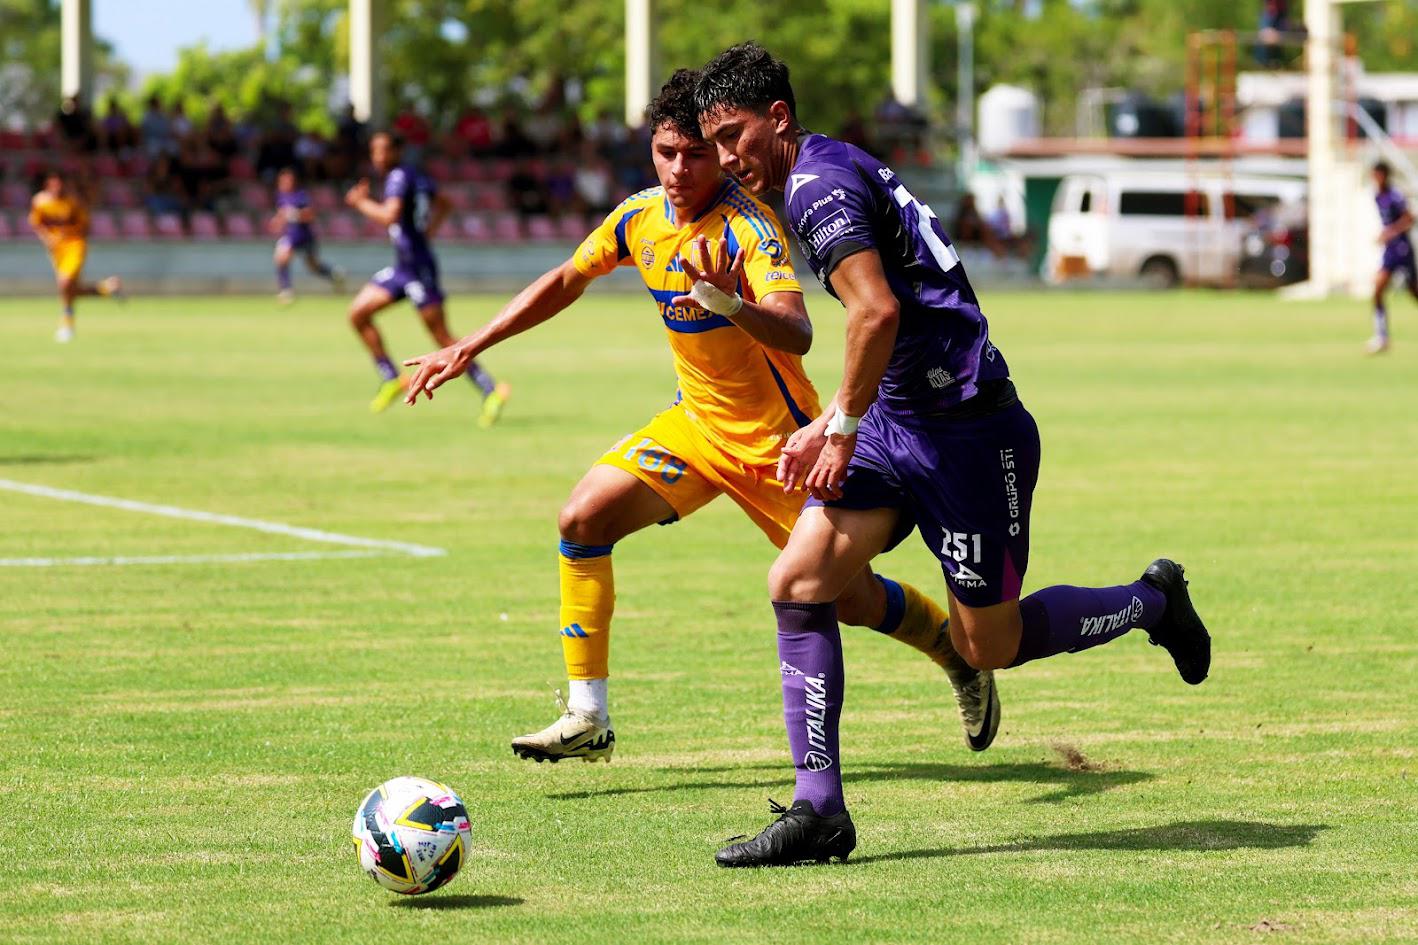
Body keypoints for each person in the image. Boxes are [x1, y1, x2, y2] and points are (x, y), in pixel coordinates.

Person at [695, 42, 1212, 868]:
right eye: (712, 143)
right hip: (903, 421)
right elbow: (886, 326)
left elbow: (875, 315)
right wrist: (839, 413)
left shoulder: (815, 185)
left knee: (989, 645)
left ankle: (1154, 601)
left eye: (733, 135)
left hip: (971, 434)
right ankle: (819, 808)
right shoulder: (820, 174)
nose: (725, 158)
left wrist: (837, 428)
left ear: (778, 120)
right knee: (798, 580)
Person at [400, 70, 990, 765]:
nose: (680, 169)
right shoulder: (638, 217)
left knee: (850, 599)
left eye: (696, 154)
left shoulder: (751, 227)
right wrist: (471, 344)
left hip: (778, 444)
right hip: (696, 428)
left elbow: (798, 332)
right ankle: (587, 714)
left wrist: (729, 300)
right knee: (582, 519)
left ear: (718, 151)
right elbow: (566, 279)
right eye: (666, 151)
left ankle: (952, 648)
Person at [345, 131, 509, 423]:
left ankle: (490, 389)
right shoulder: (415, 176)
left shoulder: (398, 177)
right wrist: (427, 233)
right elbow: (444, 203)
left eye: (382, 150)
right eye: (373, 151)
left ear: (397, 151)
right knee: (358, 313)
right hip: (403, 267)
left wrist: (360, 203)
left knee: (442, 337)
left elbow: (389, 216)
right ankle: (391, 377)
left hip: (418, 269)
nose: (377, 157)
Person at [28, 171, 121, 343]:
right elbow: (36, 223)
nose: (57, 188)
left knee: (64, 283)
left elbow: (85, 225)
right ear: (48, 185)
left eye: (60, 184)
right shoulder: (40, 202)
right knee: (68, 289)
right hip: (56, 250)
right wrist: (48, 238)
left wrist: (67, 234)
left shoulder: (73, 202)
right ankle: (106, 289)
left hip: (74, 245)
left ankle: (67, 324)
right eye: (54, 184)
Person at [269, 167, 344, 304]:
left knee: (313, 266)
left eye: (288, 180)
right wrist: (278, 221)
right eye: (282, 180)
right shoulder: (280, 196)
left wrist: (294, 214)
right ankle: (286, 291)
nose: (285, 183)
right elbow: (282, 214)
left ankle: (334, 275)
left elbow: (310, 215)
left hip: (305, 236)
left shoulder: (301, 196)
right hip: (291, 236)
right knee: (281, 257)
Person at [1368, 161, 1416, 355]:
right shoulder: (1377, 196)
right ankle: (1382, 337)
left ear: (1385, 175)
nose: (1375, 179)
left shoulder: (1395, 196)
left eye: (1378, 175)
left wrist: (1390, 233)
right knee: (1378, 288)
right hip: (1390, 251)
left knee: (1414, 292)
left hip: (1402, 249)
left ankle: (1382, 337)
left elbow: (1410, 218)